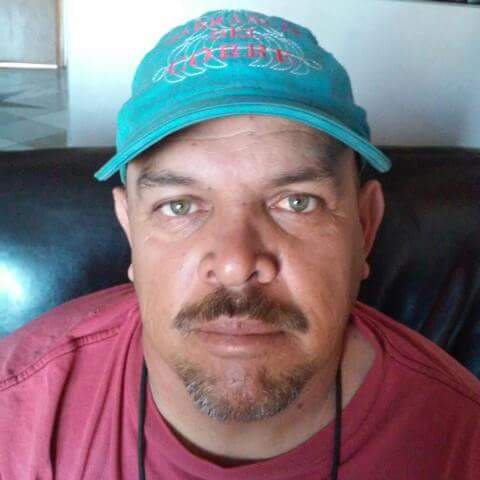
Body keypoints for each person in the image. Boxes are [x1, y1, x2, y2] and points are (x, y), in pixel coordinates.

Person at [1, 9, 479, 480]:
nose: (235, 264)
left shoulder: (460, 439)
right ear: (129, 229)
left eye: (297, 202)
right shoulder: (18, 407)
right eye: (179, 206)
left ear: (365, 226)